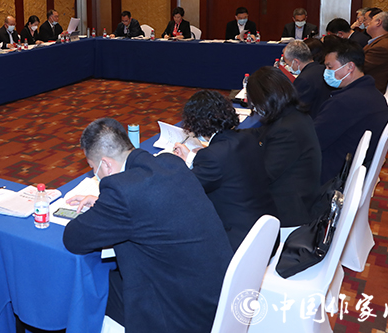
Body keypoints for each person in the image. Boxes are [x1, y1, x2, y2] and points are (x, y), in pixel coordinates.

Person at [63, 118, 231, 332]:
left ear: (106, 164)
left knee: (93, 287)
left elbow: (74, 238)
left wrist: (107, 207)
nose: (96, 174)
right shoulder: (171, 163)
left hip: (181, 313)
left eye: (93, 168)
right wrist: (103, 204)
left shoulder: (123, 192)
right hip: (216, 293)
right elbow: (153, 207)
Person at [171, 90, 277, 251]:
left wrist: (177, 163)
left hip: (241, 244)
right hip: (267, 233)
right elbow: (225, 166)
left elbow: (186, 188)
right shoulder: (247, 139)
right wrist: (192, 157)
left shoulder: (212, 156)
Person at [245, 67, 321, 226]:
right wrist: (231, 135)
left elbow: (262, 177)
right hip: (295, 196)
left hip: (288, 210)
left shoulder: (286, 130)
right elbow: (262, 132)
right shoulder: (293, 115)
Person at [315, 40, 388, 184]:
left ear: (350, 67)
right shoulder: (375, 95)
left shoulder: (344, 102)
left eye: (330, 67)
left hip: (328, 175)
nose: (326, 72)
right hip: (352, 167)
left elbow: (313, 141)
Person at [282, 40, 332, 118]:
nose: (289, 67)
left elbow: (296, 109)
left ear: (296, 62)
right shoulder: (324, 69)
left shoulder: (303, 80)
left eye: (288, 64)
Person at [364, 11, 388, 93]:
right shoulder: (384, 40)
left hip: (370, 89)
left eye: (371, 20)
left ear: (378, 22)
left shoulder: (381, 47)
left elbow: (358, 67)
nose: (368, 23)